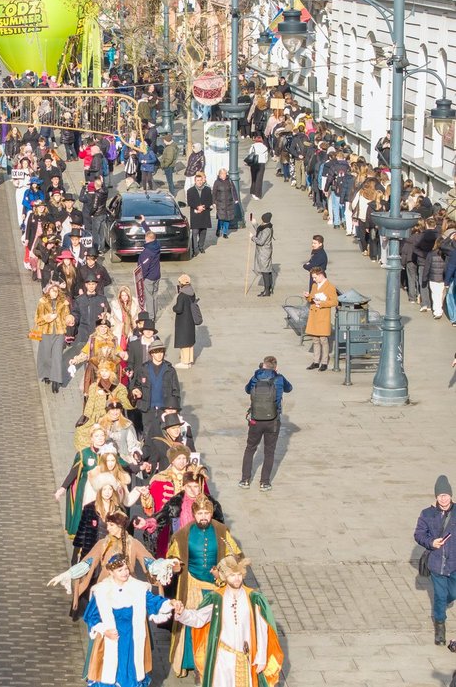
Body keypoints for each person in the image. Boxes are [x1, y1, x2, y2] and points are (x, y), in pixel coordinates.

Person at [166, 495, 242, 679]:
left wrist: (222, 573)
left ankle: (214, 662)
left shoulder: (222, 531)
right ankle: (193, 662)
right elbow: (172, 558)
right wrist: (174, 565)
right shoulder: (183, 534)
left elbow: (236, 556)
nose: (203, 517)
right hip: (192, 584)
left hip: (217, 586)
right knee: (192, 624)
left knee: (217, 626)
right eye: (200, 513)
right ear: (193, 514)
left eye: (207, 513)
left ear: (212, 513)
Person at [179, 555, 285, 687]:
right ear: (224, 577)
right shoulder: (217, 598)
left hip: (247, 659)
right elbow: (198, 619)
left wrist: (261, 657)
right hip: (222, 659)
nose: (237, 579)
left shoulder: (253, 598)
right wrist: (181, 613)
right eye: (232, 575)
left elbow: (262, 629)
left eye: (239, 574)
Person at [81, 553, 183, 687]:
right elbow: (91, 617)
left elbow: (154, 602)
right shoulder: (102, 591)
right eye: (120, 570)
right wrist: (105, 631)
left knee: (131, 673)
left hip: (133, 639)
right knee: (111, 673)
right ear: (111, 572)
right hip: (111, 639)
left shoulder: (138, 588)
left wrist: (171, 603)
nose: (125, 573)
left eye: (126, 569)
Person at [240, 356, 292, 491]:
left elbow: (246, 389)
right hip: (273, 420)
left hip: (255, 419)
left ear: (263, 365)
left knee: (250, 448)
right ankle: (264, 482)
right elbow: (289, 388)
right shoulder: (279, 378)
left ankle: (245, 480)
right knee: (269, 451)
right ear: (275, 367)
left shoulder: (255, 378)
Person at [414, 475, 455, 646]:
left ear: (451, 495)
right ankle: (440, 627)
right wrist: (431, 542)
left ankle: (442, 606)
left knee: (451, 594)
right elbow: (419, 534)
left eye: (446, 495)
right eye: (440, 495)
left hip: (454, 564)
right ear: (436, 497)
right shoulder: (427, 514)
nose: (443, 498)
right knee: (439, 596)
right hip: (437, 564)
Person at [129, 339, 180, 446]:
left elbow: (176, 391)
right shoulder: (144, 369)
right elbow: (137, 385)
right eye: (156, 352)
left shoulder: (170, 370)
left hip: (165, 409)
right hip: (148, 408)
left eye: (161, 352)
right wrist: (136, 391)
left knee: (165, 436)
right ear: (151, 353)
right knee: (148, 435)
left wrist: (173, 409)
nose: (159, 354)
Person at [34, 282, 73, 394]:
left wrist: (69, 319)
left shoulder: (63, 303)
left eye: (56, 291)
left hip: (59, 333)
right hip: (46, 332)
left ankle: (56, 380)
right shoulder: (42, 302)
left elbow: (66, 316)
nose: (54, 293)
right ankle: (46, 374)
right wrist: (48, 317)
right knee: (46, 355)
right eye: (52, 290)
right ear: (48, 291)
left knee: (57, 356)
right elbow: (37, 319)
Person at [304, 267, 338, 371]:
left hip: (323, 316)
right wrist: (308, 296)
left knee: (323, 340)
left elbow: (335, 302)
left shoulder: (330, 287)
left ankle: (324, 362)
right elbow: (312, 298)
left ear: (320, 275)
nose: (313, 280)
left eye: (314, 277)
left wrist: (322, 303)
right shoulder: (315, 285)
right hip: (314, 315)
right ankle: (315, 361)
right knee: (315, 340)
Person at [135, 221, 161, 320]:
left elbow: (144, 267)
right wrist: (143, 223)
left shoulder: (147, 252)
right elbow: (150, 233)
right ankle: (154, 313)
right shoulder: (157, 244)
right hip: (157, 275)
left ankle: (151, 317)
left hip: (149, 277)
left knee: (149, 298)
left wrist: (141, 277)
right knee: (155, 296)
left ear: (147, 239)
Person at [172, 274, 198, 369]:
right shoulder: (192, 292)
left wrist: (173, 307)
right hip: (190, 320)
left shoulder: (182, 295)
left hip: (183, 321)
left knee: (184, 342)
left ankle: (185, 362)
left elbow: (179, 309)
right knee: (189, 342)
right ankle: (190, 360)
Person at [186, 171, 213, 257]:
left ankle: (201, 246)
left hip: (204, 213)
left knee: (203, 232)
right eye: (198, 180)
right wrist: (197, 207)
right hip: (195, 214)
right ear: (195, 181)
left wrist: (203, 207)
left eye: (201, 180)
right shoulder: (190, 191)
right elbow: (190, 202)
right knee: (195, 232)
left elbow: (210, 201)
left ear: (203, 181)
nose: (199, 182)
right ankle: (195, 249)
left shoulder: (208, 190)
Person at [250, 212, 275, 297]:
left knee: (265, 271)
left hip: (264, 252)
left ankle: (267, 291)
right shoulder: (267, 226)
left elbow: (261, 241)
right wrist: (255, 224)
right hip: (264, 251)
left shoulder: (267, 230)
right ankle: (269, 288)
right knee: (267, 270)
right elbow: (260, 230)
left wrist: (252, 237)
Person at [246, 135, 269, 199]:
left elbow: (250, 154)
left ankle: (253, 191)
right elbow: (266, 157)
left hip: (254, 163)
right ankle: (257, 194)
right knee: (259, 179)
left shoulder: (253, 146)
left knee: (253, 177)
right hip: (262, 163)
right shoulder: (265, 147)